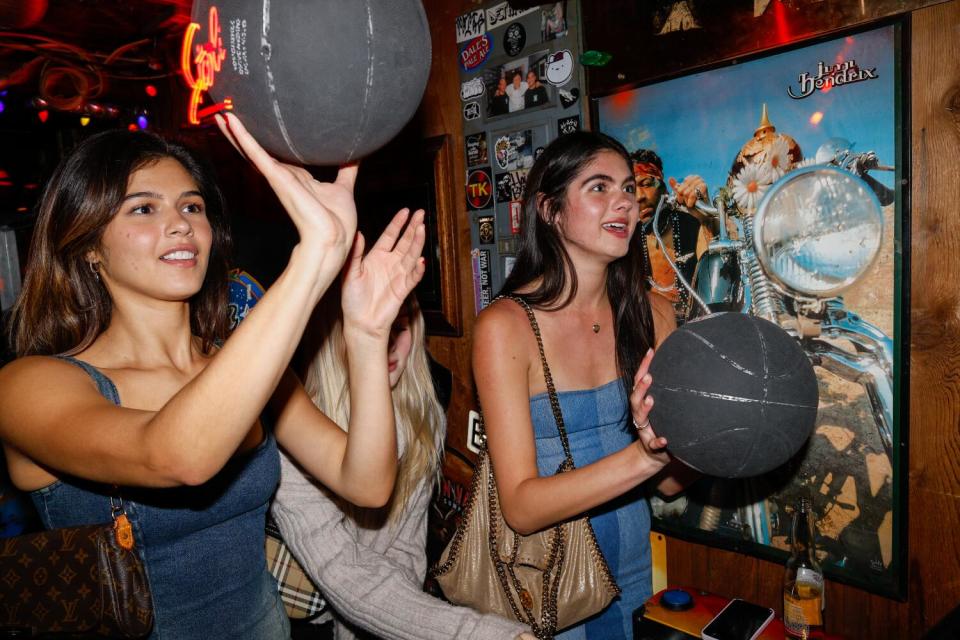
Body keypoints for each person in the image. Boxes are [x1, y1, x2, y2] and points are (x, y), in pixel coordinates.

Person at [0, 112, 426, 640]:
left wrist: (364, 334)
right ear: (88, 246)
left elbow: (365, 482)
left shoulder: (238, 365)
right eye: (143, 208)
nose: (180, 223)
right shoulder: (29, 385)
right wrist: (312, 258)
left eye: (192, 206)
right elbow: (179, 457)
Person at [473, 131, 696, 639]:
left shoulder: (655, 315)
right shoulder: (506, 327)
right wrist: (643, 457)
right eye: (598, 187)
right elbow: (522, 508)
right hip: (544, 590)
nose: (624, 200)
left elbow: (668, 483)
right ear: (551, 211)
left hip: (635, 582)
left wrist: (703, 433)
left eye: (627, 188)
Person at [271, 293, 533, 640]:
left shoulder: (422, 419)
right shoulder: (293, 434)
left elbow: (405, 551)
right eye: (375, 329)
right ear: (333, 330)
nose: (391, 343)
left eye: (401, 325)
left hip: (381, 614)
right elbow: (344, 575)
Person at [631, 148, 715, 321]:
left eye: (646, 184)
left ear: (663, 187)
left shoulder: (691, 224)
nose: (639, 197)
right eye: (630, 190)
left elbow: (714, 275)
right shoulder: (626, 241)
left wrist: (705, 218)